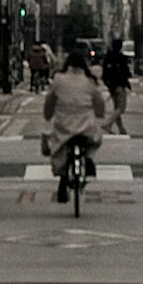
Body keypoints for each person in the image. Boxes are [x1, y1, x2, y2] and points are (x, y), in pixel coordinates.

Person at [40, 32, 106, 200]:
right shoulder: (89, 81)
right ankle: (89, 159)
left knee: (60, 148)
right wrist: (99, 115)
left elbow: (49, 102)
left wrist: (48, 115)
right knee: (95, 139)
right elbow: (99, 103)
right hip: (86, 127)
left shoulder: (59, 79)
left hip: (64, 126)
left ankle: (63, 177)